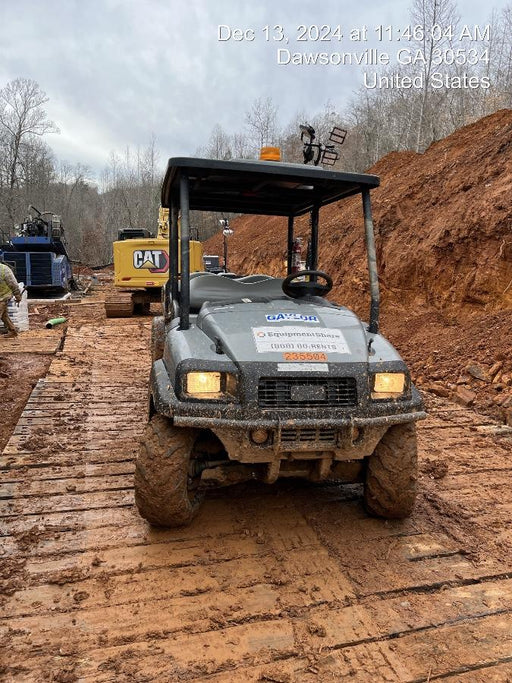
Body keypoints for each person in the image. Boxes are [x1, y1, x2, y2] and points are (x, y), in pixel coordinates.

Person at [0, 262, 22, 337]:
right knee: (4, 315)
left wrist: (17, 296)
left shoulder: (4, 270)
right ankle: (12, 331)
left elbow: (13, 284)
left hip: (4, 296)